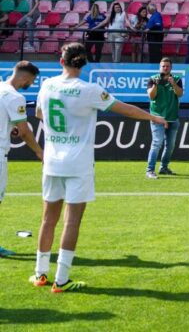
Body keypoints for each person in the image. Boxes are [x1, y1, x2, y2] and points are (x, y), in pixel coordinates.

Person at [31, 42, 167, 292]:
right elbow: (124, 109)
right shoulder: (90, 90)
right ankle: (61, 280)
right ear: (83, 64)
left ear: (62, 61)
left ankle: (40, 273)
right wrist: (152, 117)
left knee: (48, 219)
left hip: (52, 161)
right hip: (78, 164)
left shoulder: (47, 85)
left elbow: (40, 114)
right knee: (71, 222)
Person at [1, 61, 44, 258]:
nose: (32, 84)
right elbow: (25, 132)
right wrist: (39, 152)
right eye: (32, 80)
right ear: (25, 77)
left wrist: (10, 127)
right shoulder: (15, 96)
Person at [145, 58, 183, 179]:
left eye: (167, 66)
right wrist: (155, 84)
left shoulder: (177, 79)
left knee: (170, 145)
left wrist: (173, 83)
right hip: (157, 117)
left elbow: (180, 94)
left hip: (172, 117)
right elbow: (151, 96)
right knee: (157, 143)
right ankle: (150, 170)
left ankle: (164, 167)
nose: (165, 68)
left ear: (171, 68)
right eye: (163, 66)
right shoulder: (153, 79)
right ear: (159, 67)